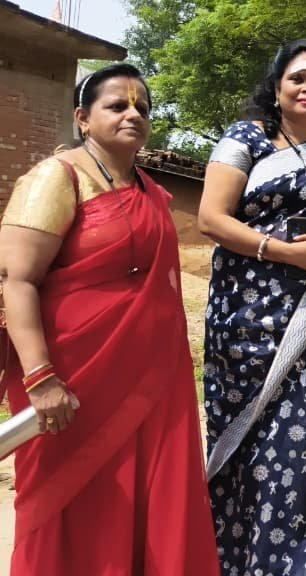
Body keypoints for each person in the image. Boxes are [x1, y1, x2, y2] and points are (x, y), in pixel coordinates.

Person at [0, 63, 219, 575]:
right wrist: (40, 379)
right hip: (74, 381)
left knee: (151, 500)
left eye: (142, 107)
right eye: (117, 105)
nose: (133, 114)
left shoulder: (150, 190)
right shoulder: (57, 178)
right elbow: (17, 280)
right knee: (76, 503)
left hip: (155, 381)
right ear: (82, 117)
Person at [198, 39, 306, 574]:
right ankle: (233, 558)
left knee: (303, 440)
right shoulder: (244, 139)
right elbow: (211, 218)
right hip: (245, 319)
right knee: (246, 439)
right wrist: (286, 252)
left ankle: (301, 560)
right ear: (276, 88)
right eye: (298, 78)